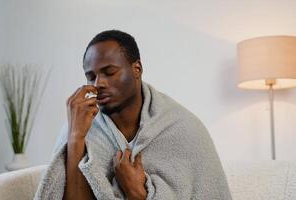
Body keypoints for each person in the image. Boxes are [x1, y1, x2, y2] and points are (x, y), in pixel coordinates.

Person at [35, 30, 232, 200]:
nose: (98, 84)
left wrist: (137, 193)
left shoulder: (183, 127)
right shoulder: (80, 126)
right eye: (91, 76)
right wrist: (75, 137)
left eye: (109, 72)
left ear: (137, 69)